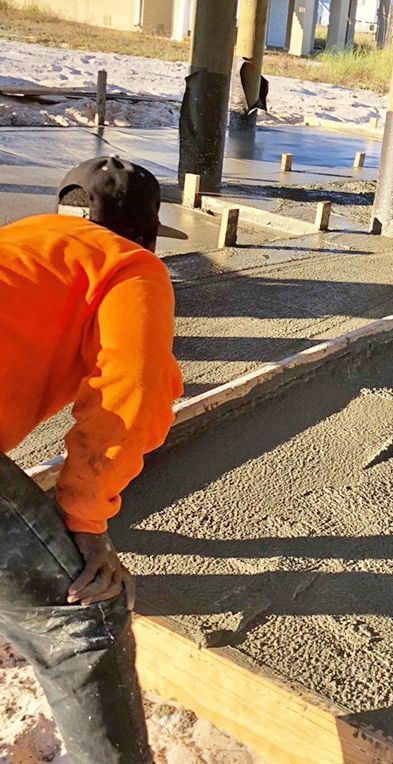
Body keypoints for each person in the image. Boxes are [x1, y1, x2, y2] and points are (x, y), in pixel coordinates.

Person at [0, 156, 184, 762]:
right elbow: (132, 395)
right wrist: (84, 524)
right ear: (145, 232)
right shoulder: (132, 266)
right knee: (80, 622)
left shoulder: (23, 241)